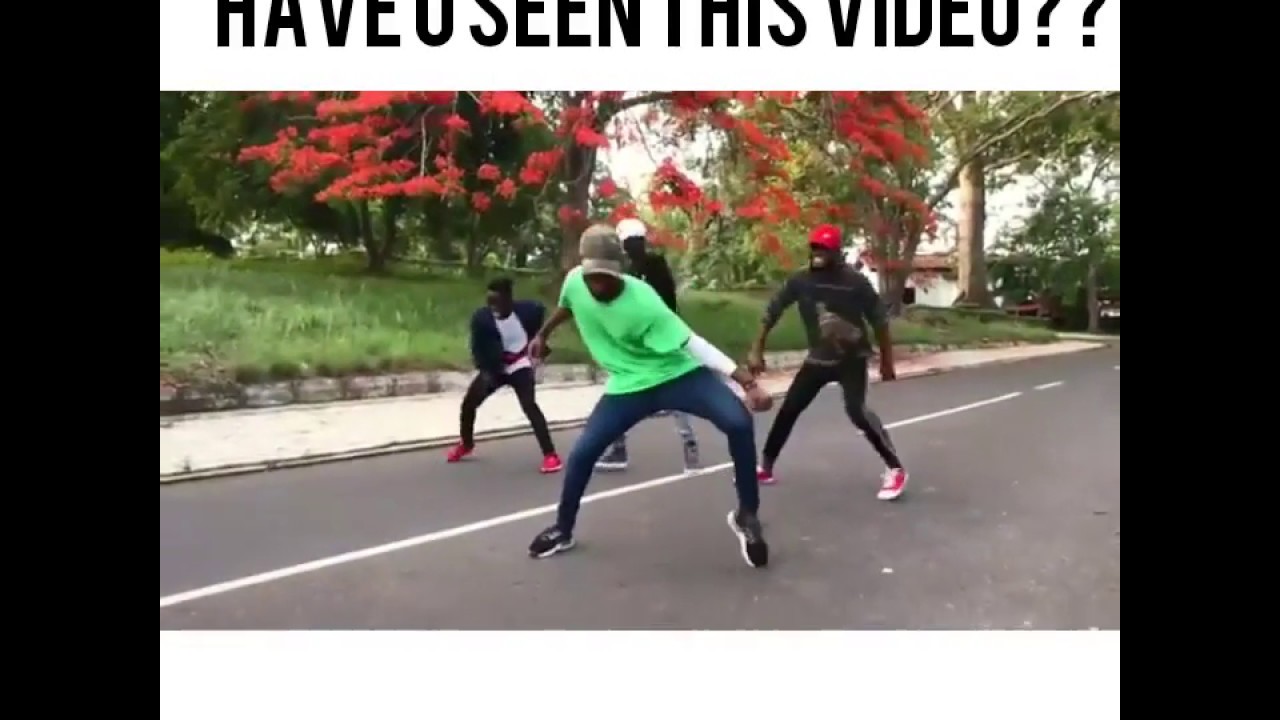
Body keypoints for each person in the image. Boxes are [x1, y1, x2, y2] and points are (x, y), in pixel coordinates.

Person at [525, 224, 774, 568]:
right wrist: (543, 334)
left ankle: (747, 514)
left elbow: (694, 344)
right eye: (592, 278)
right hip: (628, 386)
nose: (599, 286)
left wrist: (746, 382)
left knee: (738, 422)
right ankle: (563, 529)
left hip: (677, 374)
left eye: (607, 278)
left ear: (620, 269)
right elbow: (568, 305)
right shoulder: (574, 282)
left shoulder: (644, 301)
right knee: (583, 454)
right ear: (583, 269)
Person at [748, 223, 909, 500]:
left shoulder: (856, 282)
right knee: (789, 408)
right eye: (815, 248)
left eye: (824, 249)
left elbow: (880, 321)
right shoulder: (801, 280)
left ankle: (895, 469)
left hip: (852, 358)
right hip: (818, 360)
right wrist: (757, 348)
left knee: (857, 412)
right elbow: (773, 310)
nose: (818, 254)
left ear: (837, 252)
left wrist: (887, 362)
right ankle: (766, 467)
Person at [593, 217, 700, 473]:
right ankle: (686, 446)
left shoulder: (643, 268)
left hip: (651, 339)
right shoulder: (636, 269)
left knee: (629, 389)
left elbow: (663, 304)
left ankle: (623, 448)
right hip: (646, 339)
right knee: (642, 389)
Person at [445, 277, 563, 474]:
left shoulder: (528, 311)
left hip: (520, 364)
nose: (493, 307)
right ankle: (466, 444)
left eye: (496, 302)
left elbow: (541, 314)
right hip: (496, 367)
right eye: (489, 302)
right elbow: (477, 347)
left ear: (508, 299)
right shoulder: (482, 319)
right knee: (468, 404)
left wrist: (538, 342)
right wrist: (486, 369)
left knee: (529, 406)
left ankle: (551, 455)